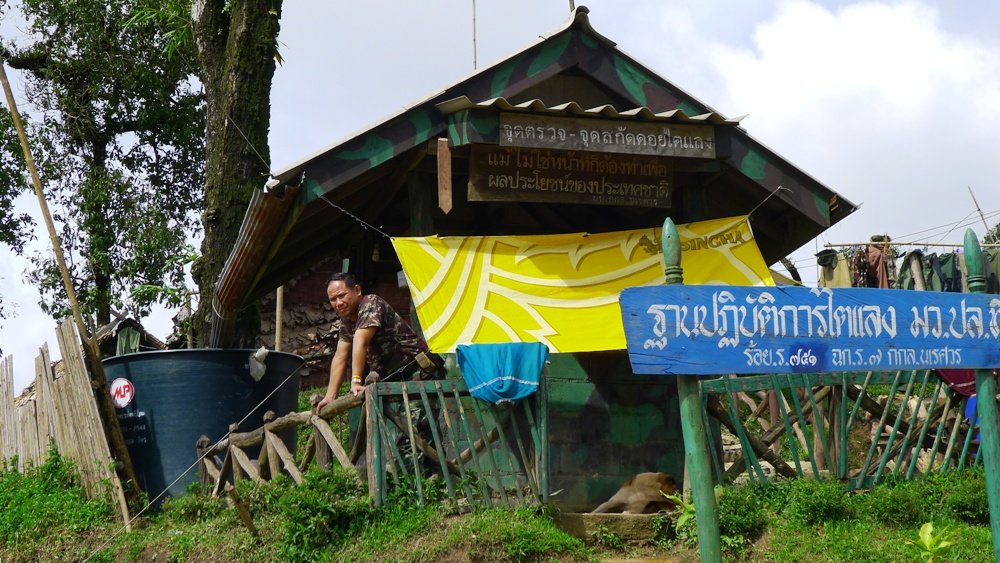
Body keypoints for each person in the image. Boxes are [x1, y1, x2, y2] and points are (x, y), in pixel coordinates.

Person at [315, 272, 441, 411]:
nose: (338, 303)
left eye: (342, 296)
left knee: (420, 427)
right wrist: (330, 397)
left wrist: (356, 381)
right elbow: (340, 356)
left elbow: (360, 339)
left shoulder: (370, 303)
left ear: (357, 290)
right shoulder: (347, 321)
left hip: (418, 372)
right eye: (333, 299)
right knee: (397, 431)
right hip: (393, 381)